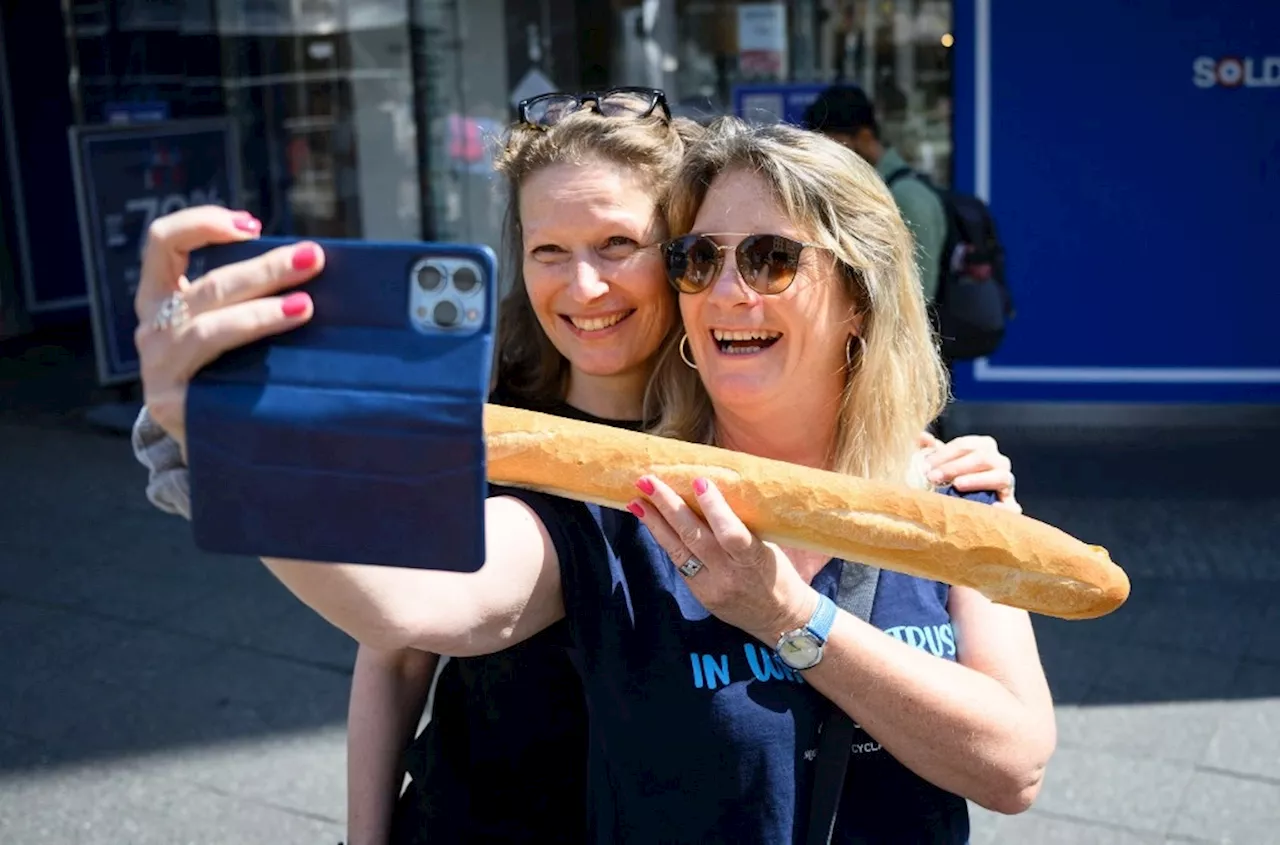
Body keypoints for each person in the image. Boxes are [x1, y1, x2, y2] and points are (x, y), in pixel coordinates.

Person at [131, 113, 1049, 843]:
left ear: (860, 292)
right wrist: (218, 435)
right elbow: (408, 611)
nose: (730, 289)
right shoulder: (613, 500)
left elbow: (1015, 767)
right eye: (701, 259)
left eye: (770, 258)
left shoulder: (945, 490)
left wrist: (793, 612)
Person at [801, 84, 947, 305]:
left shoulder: (906, 196)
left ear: (865, 137)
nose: (827, 158)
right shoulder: (864, 192)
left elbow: (919, 299)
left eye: (834, 146)